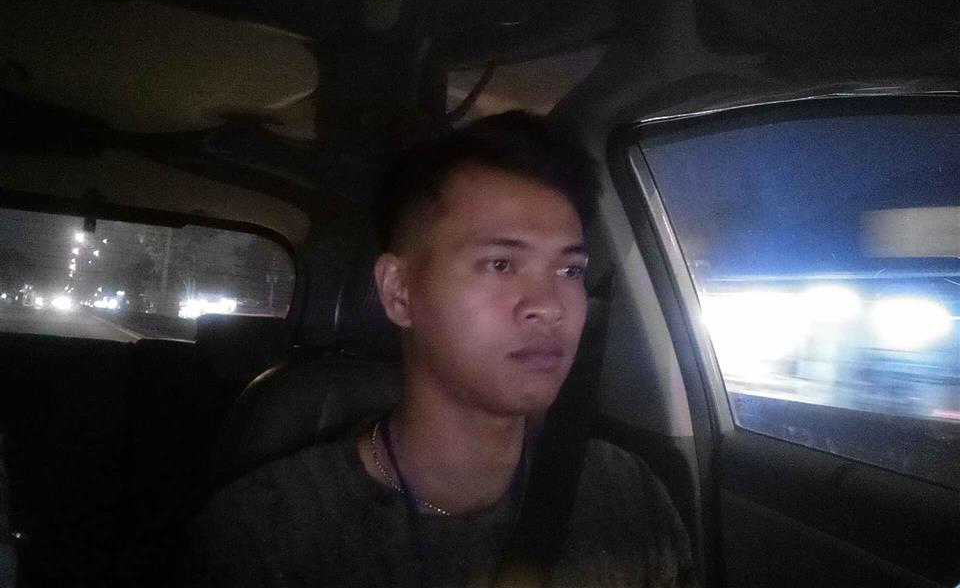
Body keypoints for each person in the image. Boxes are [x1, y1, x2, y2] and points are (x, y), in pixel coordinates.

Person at [179, 111, 696, 587]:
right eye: (500, 264)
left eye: (569, 270)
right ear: (399, 292)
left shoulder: (628, 494)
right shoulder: (269, 531)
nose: (549, 306)